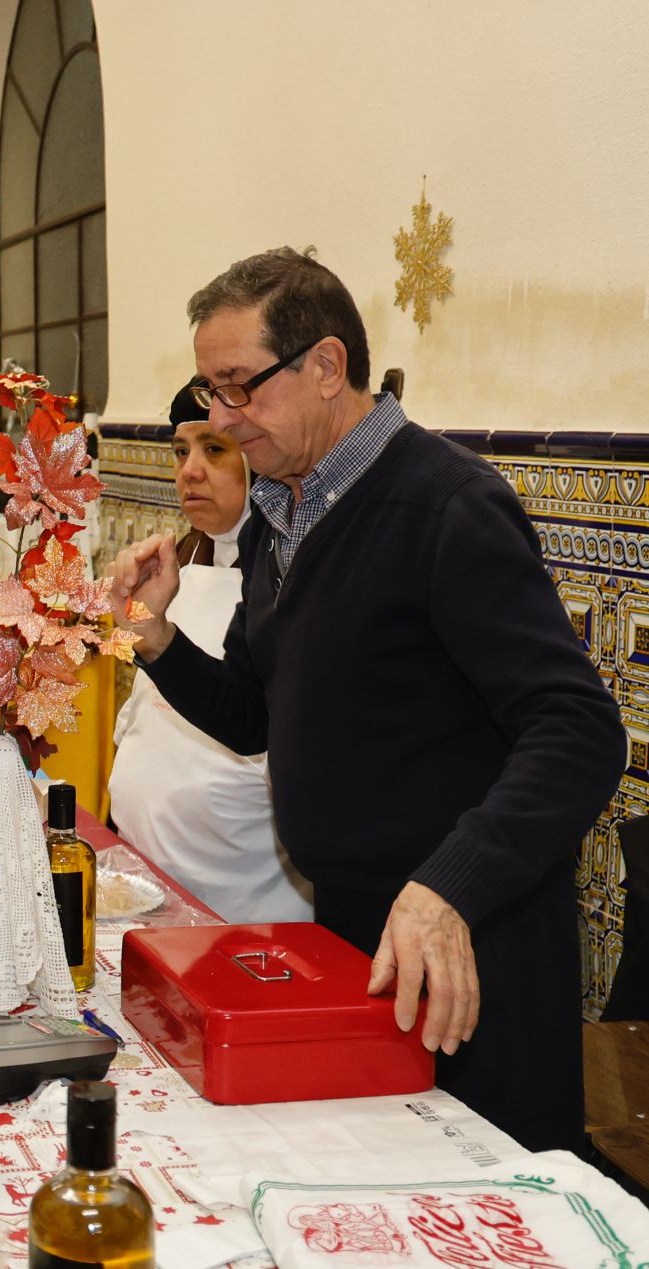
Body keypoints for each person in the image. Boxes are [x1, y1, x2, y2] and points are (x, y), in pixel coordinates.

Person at [110, 246, 624, 1153]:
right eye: (209, 393)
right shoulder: (279, 516)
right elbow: (258, 715)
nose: (222, 418)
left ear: (326, 364)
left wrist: (448, 888)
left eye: (238, 388)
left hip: (470, 940)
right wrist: (156, 638)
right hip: (354, 929)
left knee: (475, 1194)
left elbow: (579, 728)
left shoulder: (446, 506)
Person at [107, 382, 310, 922]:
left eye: (214, 450)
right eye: (181, 452)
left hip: (245, 903)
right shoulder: (180, 558)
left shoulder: (289, 579)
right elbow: (143, 706)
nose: (189, 472)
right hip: (144, 875)